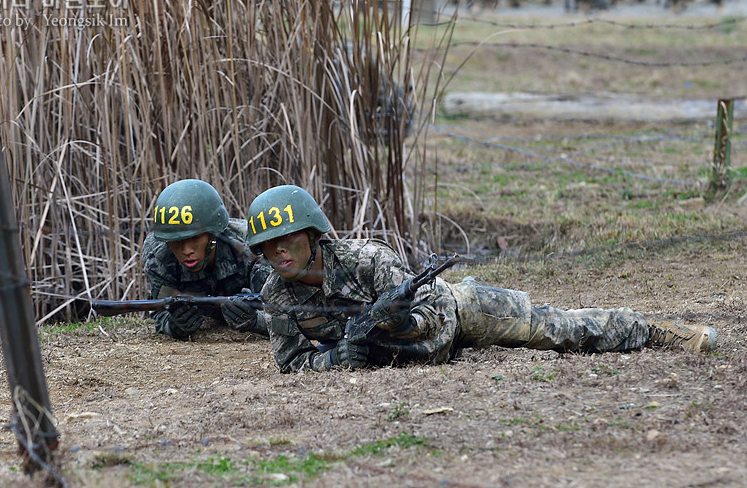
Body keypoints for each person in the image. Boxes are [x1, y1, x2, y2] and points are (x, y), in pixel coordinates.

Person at [245, 185, 717, 373]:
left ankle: (655, 331)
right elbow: (290, 363)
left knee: (554, 329)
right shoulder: (276, 296)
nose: (279, 250)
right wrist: (335, 359)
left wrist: (393, 323)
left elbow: (431, 309)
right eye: (269, 245)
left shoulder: (369, 261)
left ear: (312, 234)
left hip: (457, 314)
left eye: (288, 238)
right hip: (410, 361)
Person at [142, 179, 272, 339]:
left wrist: (255, 321)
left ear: (214, 235)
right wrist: (174, 326)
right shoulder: (158, 254)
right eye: (176, 242)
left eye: (195, 239)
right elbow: (160, 313)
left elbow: (289, 314)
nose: (186, 251)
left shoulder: (250, 247)